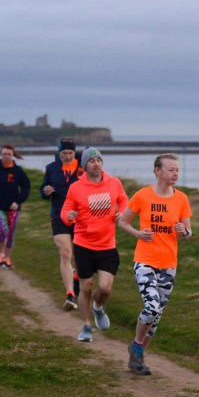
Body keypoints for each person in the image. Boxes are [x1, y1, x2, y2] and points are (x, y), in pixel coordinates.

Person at [118, 154, 193, 376]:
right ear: (157, 171)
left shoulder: (182, 199)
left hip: (169, 264)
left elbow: (188, 232)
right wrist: (139, 233)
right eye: (171, 170)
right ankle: (137, 346)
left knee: (157, 315)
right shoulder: (142, 196)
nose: (176, 173)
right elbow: (123, 221)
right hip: (145, 261)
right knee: (152, 307)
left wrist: (184, 231)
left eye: (177, 170)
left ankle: (137, 357)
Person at [61, 147, 128, 343]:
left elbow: (123, 199)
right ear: (84, 165)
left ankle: (97, 308)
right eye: (91, 161)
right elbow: (66, 210)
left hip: (107, 245)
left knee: (105, 288)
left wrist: (122, 212)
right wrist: (69, 216)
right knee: (86, 287)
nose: (96, 163)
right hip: (84, 244)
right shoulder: (76, 188)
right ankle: (86, 326)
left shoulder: (114, 183)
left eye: (99, 160)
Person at [40, 138, 83, 310]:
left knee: (79, 257)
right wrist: (46, 191)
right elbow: (44, 189)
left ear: (75, 153)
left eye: (70, 153)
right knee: (66, 253)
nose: (67, 156)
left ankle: (77, 279)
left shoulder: (83, 167)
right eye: (64, 153)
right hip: (58, 215)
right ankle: (70, 294)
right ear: (59, 153)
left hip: (80, 217)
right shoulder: (51, 168)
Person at [0, 144, 31, 269]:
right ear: (0, 154)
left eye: (9, 154)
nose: (6, 156)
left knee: (11, 233)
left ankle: (7, 257)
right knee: (3, 229)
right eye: (4, 154)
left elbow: (26, 187)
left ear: (12, 155)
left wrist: (18, 201)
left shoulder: (18, 171)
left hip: (13, 207)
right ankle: (0, 253)